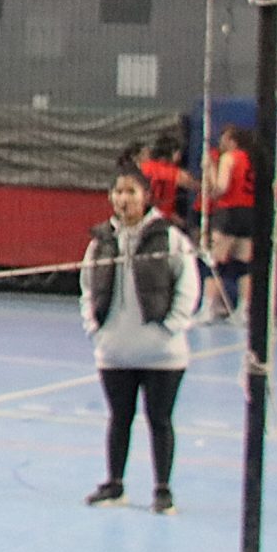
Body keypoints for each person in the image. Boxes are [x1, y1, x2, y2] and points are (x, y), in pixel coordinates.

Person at [80, 169, 203, 514]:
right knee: (119, 418)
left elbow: (188, 286)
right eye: (118, 191)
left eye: (131, 191)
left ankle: (163, 490)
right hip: (115, 351)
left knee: (160, 420)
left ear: (146, 196)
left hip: (162, 354)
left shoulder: (171, 237)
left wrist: (170, 328)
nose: (124, 199)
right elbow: (88, 287)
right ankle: (114, 484)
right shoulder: (101, 241)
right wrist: (95, 328)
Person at [203, 124, 259, 320]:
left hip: (229, 212)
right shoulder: (252, 158)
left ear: (233, 141)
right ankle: (243, 309)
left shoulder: (230, 157)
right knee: (244, 263)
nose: (221, 142)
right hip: (249, 213)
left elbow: (221, 188)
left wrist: (210, 168)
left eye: (224, 138)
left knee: (215, 261)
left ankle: (208, 308)